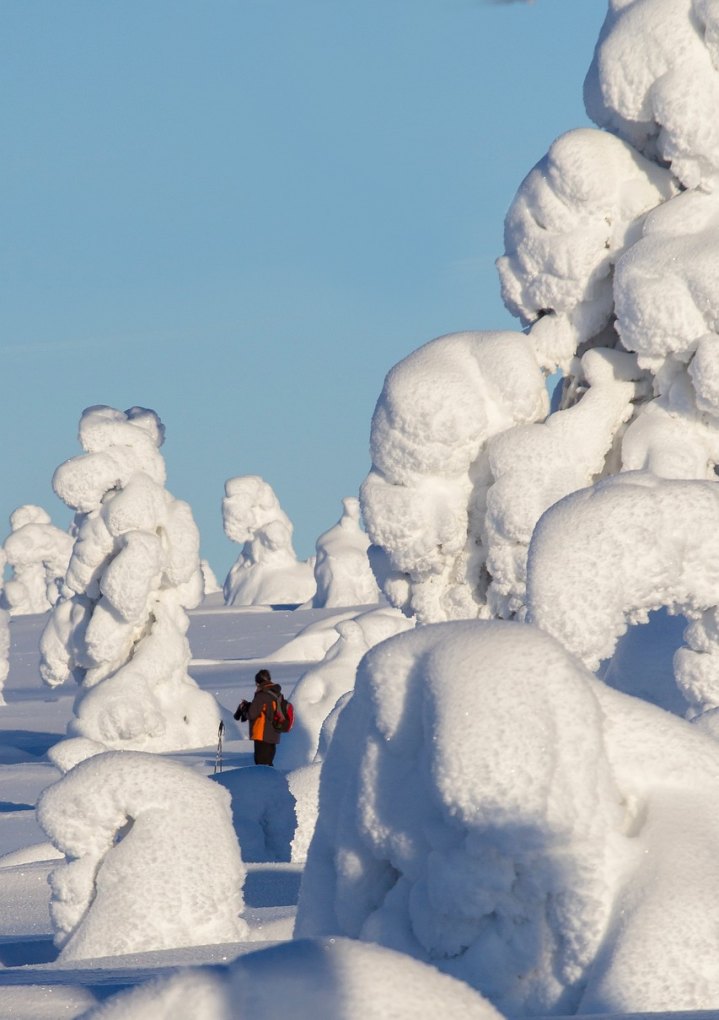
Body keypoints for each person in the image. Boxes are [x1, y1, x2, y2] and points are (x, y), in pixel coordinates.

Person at [234, 668, 283, 766]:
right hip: (273, 734)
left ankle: (263, 781)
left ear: (258, 683)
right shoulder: (277, 694)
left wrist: (244, 709)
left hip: (262, 735)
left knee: (261, 765)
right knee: (268, 764)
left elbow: (252, 714)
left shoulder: (262, 695)